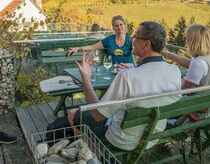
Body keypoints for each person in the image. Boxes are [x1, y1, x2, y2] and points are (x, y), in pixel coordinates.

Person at [67, 21, 181, 151]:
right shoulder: (174, 71)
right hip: (152, 137)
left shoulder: (127, 76)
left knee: (72, 114)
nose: (132, 39)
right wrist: (135, 67)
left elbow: (97, 115)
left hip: (122, 140)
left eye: (136, 36)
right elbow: (152, 75)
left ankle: (91, 154)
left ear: (146, 44)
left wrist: (86, 78)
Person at [68, 15, 133, 65]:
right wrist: (78, 48)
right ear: (113, 28)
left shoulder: (131, 40)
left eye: (121, 24)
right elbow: (92, 47)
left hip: (128, 69)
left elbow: (140, 54)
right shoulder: (109, 40)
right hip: (114, 69)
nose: (119, 27)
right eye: (116, 26)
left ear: (124, 26)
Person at [162, 23, 210, 89]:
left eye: (187, 38)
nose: (186, 40)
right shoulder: (205, 56)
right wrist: (169, 54)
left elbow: (185, 90)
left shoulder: (198, 63)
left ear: (192, 41)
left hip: (197, 98)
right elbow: (189, 63)